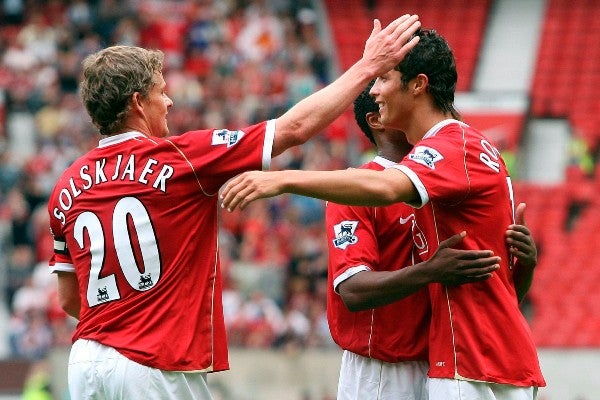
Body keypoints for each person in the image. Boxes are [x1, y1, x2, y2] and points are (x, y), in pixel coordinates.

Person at [46, 15, 425, 400]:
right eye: (161, 92)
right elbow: (293, 129)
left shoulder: (65, 186)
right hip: (153, 361)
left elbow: (69, 298)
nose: (170, 100)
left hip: (86, 361)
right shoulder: (182, 158)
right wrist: (368, 67)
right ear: (137, 102)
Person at [221, 29, 546, 399]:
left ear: (418, 85)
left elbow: (390, 190)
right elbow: (355, 290)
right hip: (394, 367)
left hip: (460, 361)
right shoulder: (434, 170)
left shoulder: (449, 151)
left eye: (384, 77)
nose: (374, 89)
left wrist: (281, 180)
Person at [327, 82, 539, 400]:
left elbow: (494, 293)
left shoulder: (449, 182)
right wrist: (430, 270)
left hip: (445, 361)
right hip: (382, 370)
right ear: (377, 118)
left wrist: (526, 265)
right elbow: (353, 291)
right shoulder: (357, 191)